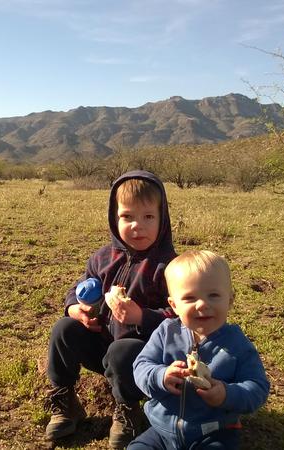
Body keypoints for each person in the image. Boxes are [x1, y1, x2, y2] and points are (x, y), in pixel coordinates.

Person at [45, 170, 177, 449]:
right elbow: (80, 288)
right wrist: (75, 309)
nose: (136, 226)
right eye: (127, 216)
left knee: (123, 350)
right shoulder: (103, 258)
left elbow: (180, 318)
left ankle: (128, 407)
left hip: (145, 357)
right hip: (103, 344)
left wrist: (142, 316)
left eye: (148, 217)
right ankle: (65, 400)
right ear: (114, 217)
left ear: (162, 219)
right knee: (63, 329)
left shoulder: (169, 267)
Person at [129, 250, 270, 449]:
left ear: (230, 299)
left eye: (213, 295)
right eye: (189, 298)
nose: (202, 304)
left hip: (215, 431)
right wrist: (160, 376)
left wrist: (226, 394)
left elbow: (258, 388)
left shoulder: (237, 345)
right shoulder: (166, 332)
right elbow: (141, 366)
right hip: (162, 430)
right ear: (174, 305)